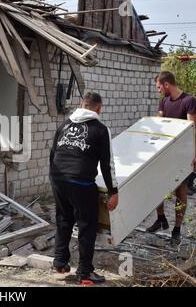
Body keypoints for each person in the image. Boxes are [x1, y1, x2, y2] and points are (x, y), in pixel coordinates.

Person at [49, 92, 119, 284]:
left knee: (64, 219)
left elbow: (52, 154)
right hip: (80, 181)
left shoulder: (64, 124)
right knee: (87, 225)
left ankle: (60, 263)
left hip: (58, 178)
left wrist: (54, 181)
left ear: (82, 105)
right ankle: (85, 272)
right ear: (98, 108)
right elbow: (106, 165)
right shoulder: (100, 129)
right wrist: (113, 192)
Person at [146, 71, 196, 246]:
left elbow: (193, 130)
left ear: (167, 84)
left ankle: (176, 230)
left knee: (180, 191)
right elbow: (159, 123)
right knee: (156, 187)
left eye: (159, 87)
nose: (158, 90)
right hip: (165, 152)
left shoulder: (188, 101)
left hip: (183, 154)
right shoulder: (164, 101)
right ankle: (161, 219)